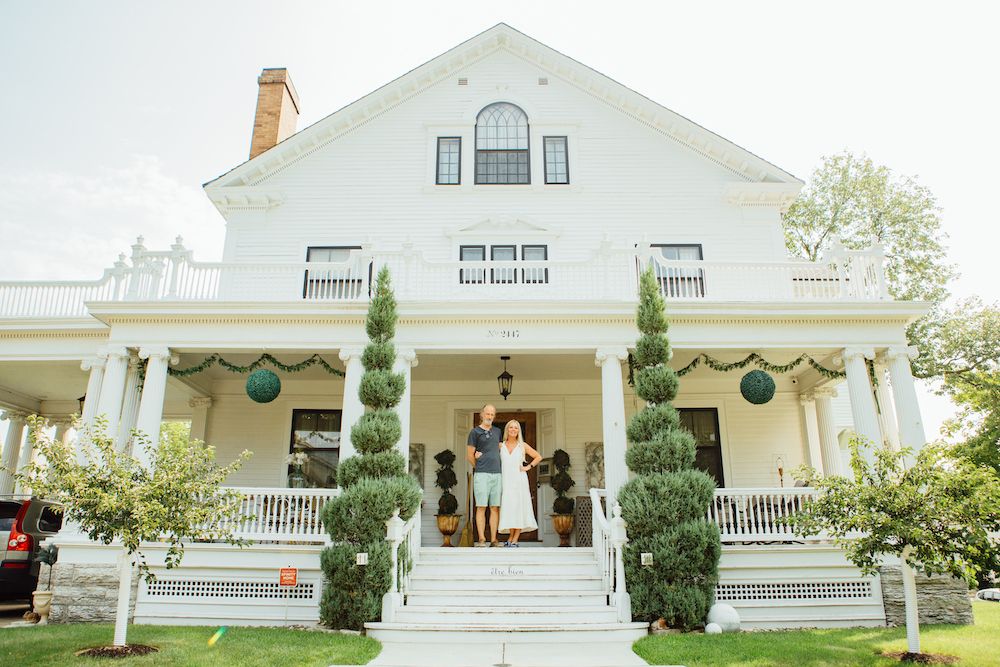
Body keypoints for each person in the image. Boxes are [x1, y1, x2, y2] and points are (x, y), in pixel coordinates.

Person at [498, 419, 541, 547]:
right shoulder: (500, 446)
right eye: (510, 427)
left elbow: (538, 456)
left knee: (518, 508)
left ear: (518, 431)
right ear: (507, 430)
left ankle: (514, 540)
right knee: (510, 509)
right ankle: (511, 537)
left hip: (519, 481)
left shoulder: (523, 446)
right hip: (506, 481)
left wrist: (528, 467)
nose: (513, 430)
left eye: (515, 428)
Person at [467, 404, 502, 547]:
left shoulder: (498, 431)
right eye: (487, 414)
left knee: (495, 507)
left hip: (497, 474)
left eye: (492, 414)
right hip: (481, 475)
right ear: (482, 414)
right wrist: (479, 466)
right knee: (481, 506)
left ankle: (494, 540)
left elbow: (500, 449)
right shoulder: (474, 432)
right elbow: (470, 455)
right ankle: (481, 539)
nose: (490, 416)